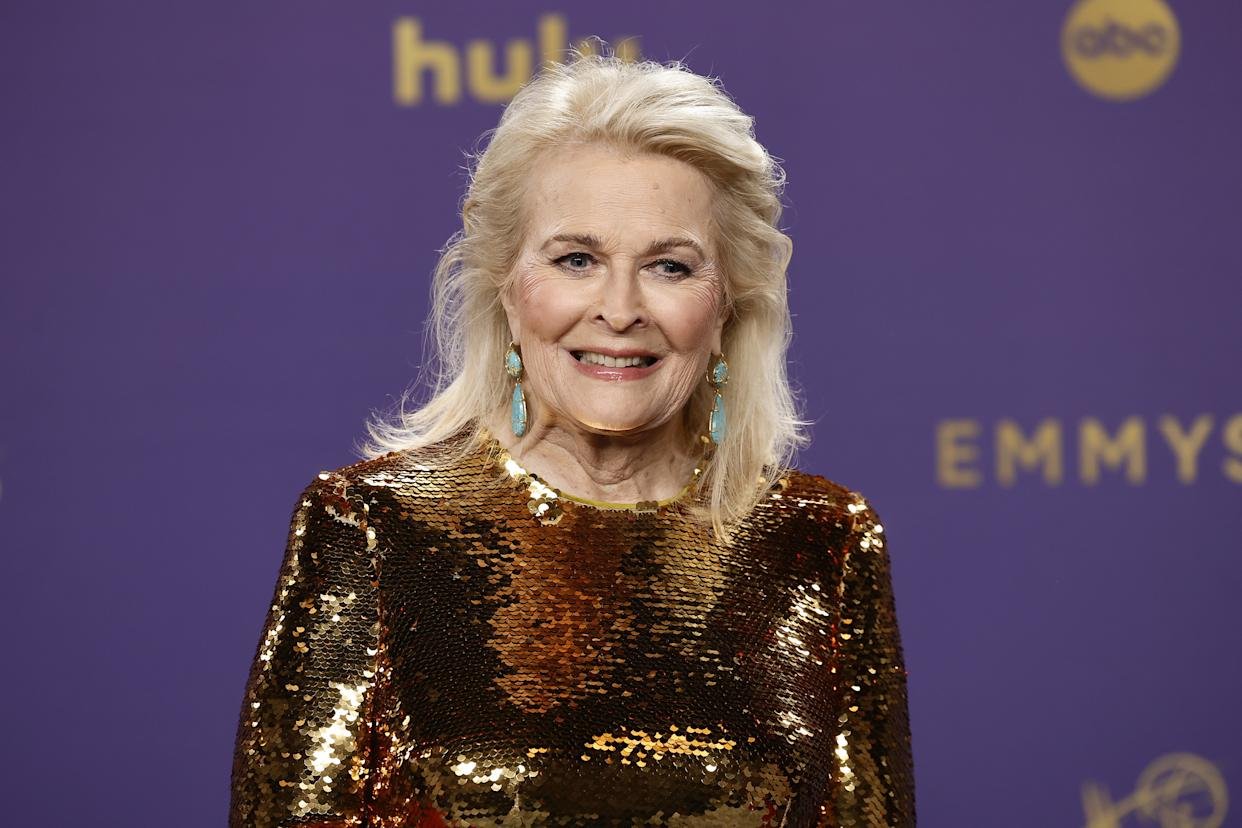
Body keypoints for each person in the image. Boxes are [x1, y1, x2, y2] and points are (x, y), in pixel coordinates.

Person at [229, 51, 914, 827]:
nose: (619, 309)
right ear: (507, 290)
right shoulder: (371, 527)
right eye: (576, 260)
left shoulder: (822, 541)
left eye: (669, 266)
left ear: (727, 304)